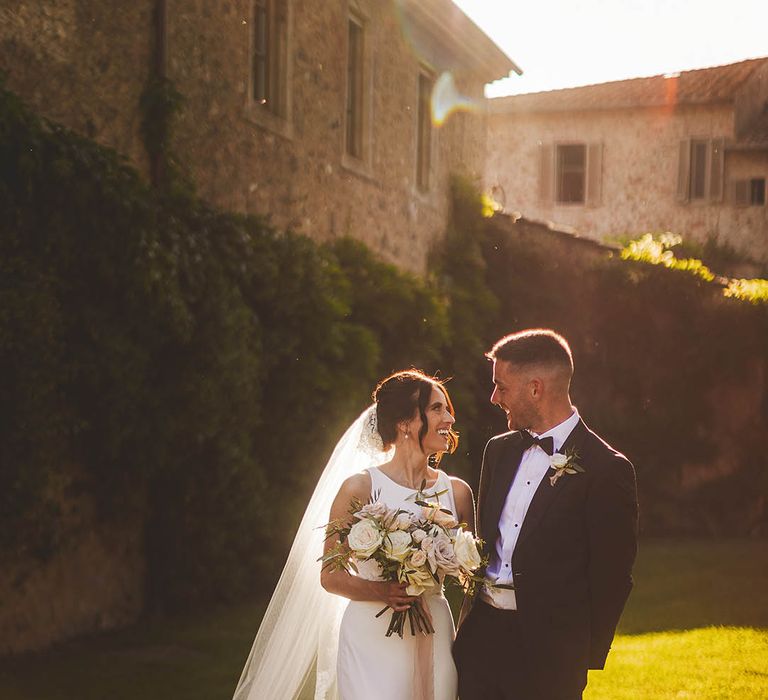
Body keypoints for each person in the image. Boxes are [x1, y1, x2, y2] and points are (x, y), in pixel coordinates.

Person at [233, 369, 474, 700]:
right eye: (437, 408)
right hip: (371, 633)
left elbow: (471, 579)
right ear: (405, 422)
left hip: (436, 629)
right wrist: (382, 589)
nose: (450, 417)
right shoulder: (360, 488)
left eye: (447, 408)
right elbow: (330, 576)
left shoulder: (457, 492)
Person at [453, 329, 638, 700]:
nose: (494, 398)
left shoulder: (606, 468)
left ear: (535, 388)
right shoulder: (498, 451)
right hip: (480, 643)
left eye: (501, 387)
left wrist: (579, 657)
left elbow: (612, 575)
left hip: (550, 657)